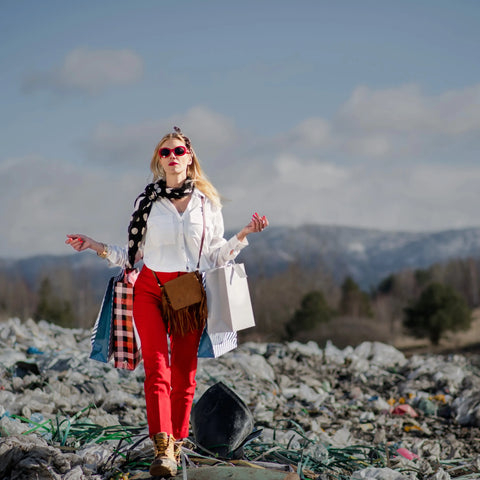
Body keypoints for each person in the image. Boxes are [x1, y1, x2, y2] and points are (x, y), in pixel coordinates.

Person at [66, 126, 268, 478]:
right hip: (148, 288)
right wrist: (94, 245)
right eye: (165, 153)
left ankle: (179, 440)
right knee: (157, 369)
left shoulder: (208, 205)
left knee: (184, 373)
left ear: (190, 159)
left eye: (178, 152)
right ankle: (163, 450)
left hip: (188, 292)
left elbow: (216, 255)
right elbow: (132, 255)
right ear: (159, 162)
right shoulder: (146, 203)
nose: (172, 157)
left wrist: (245, 235)